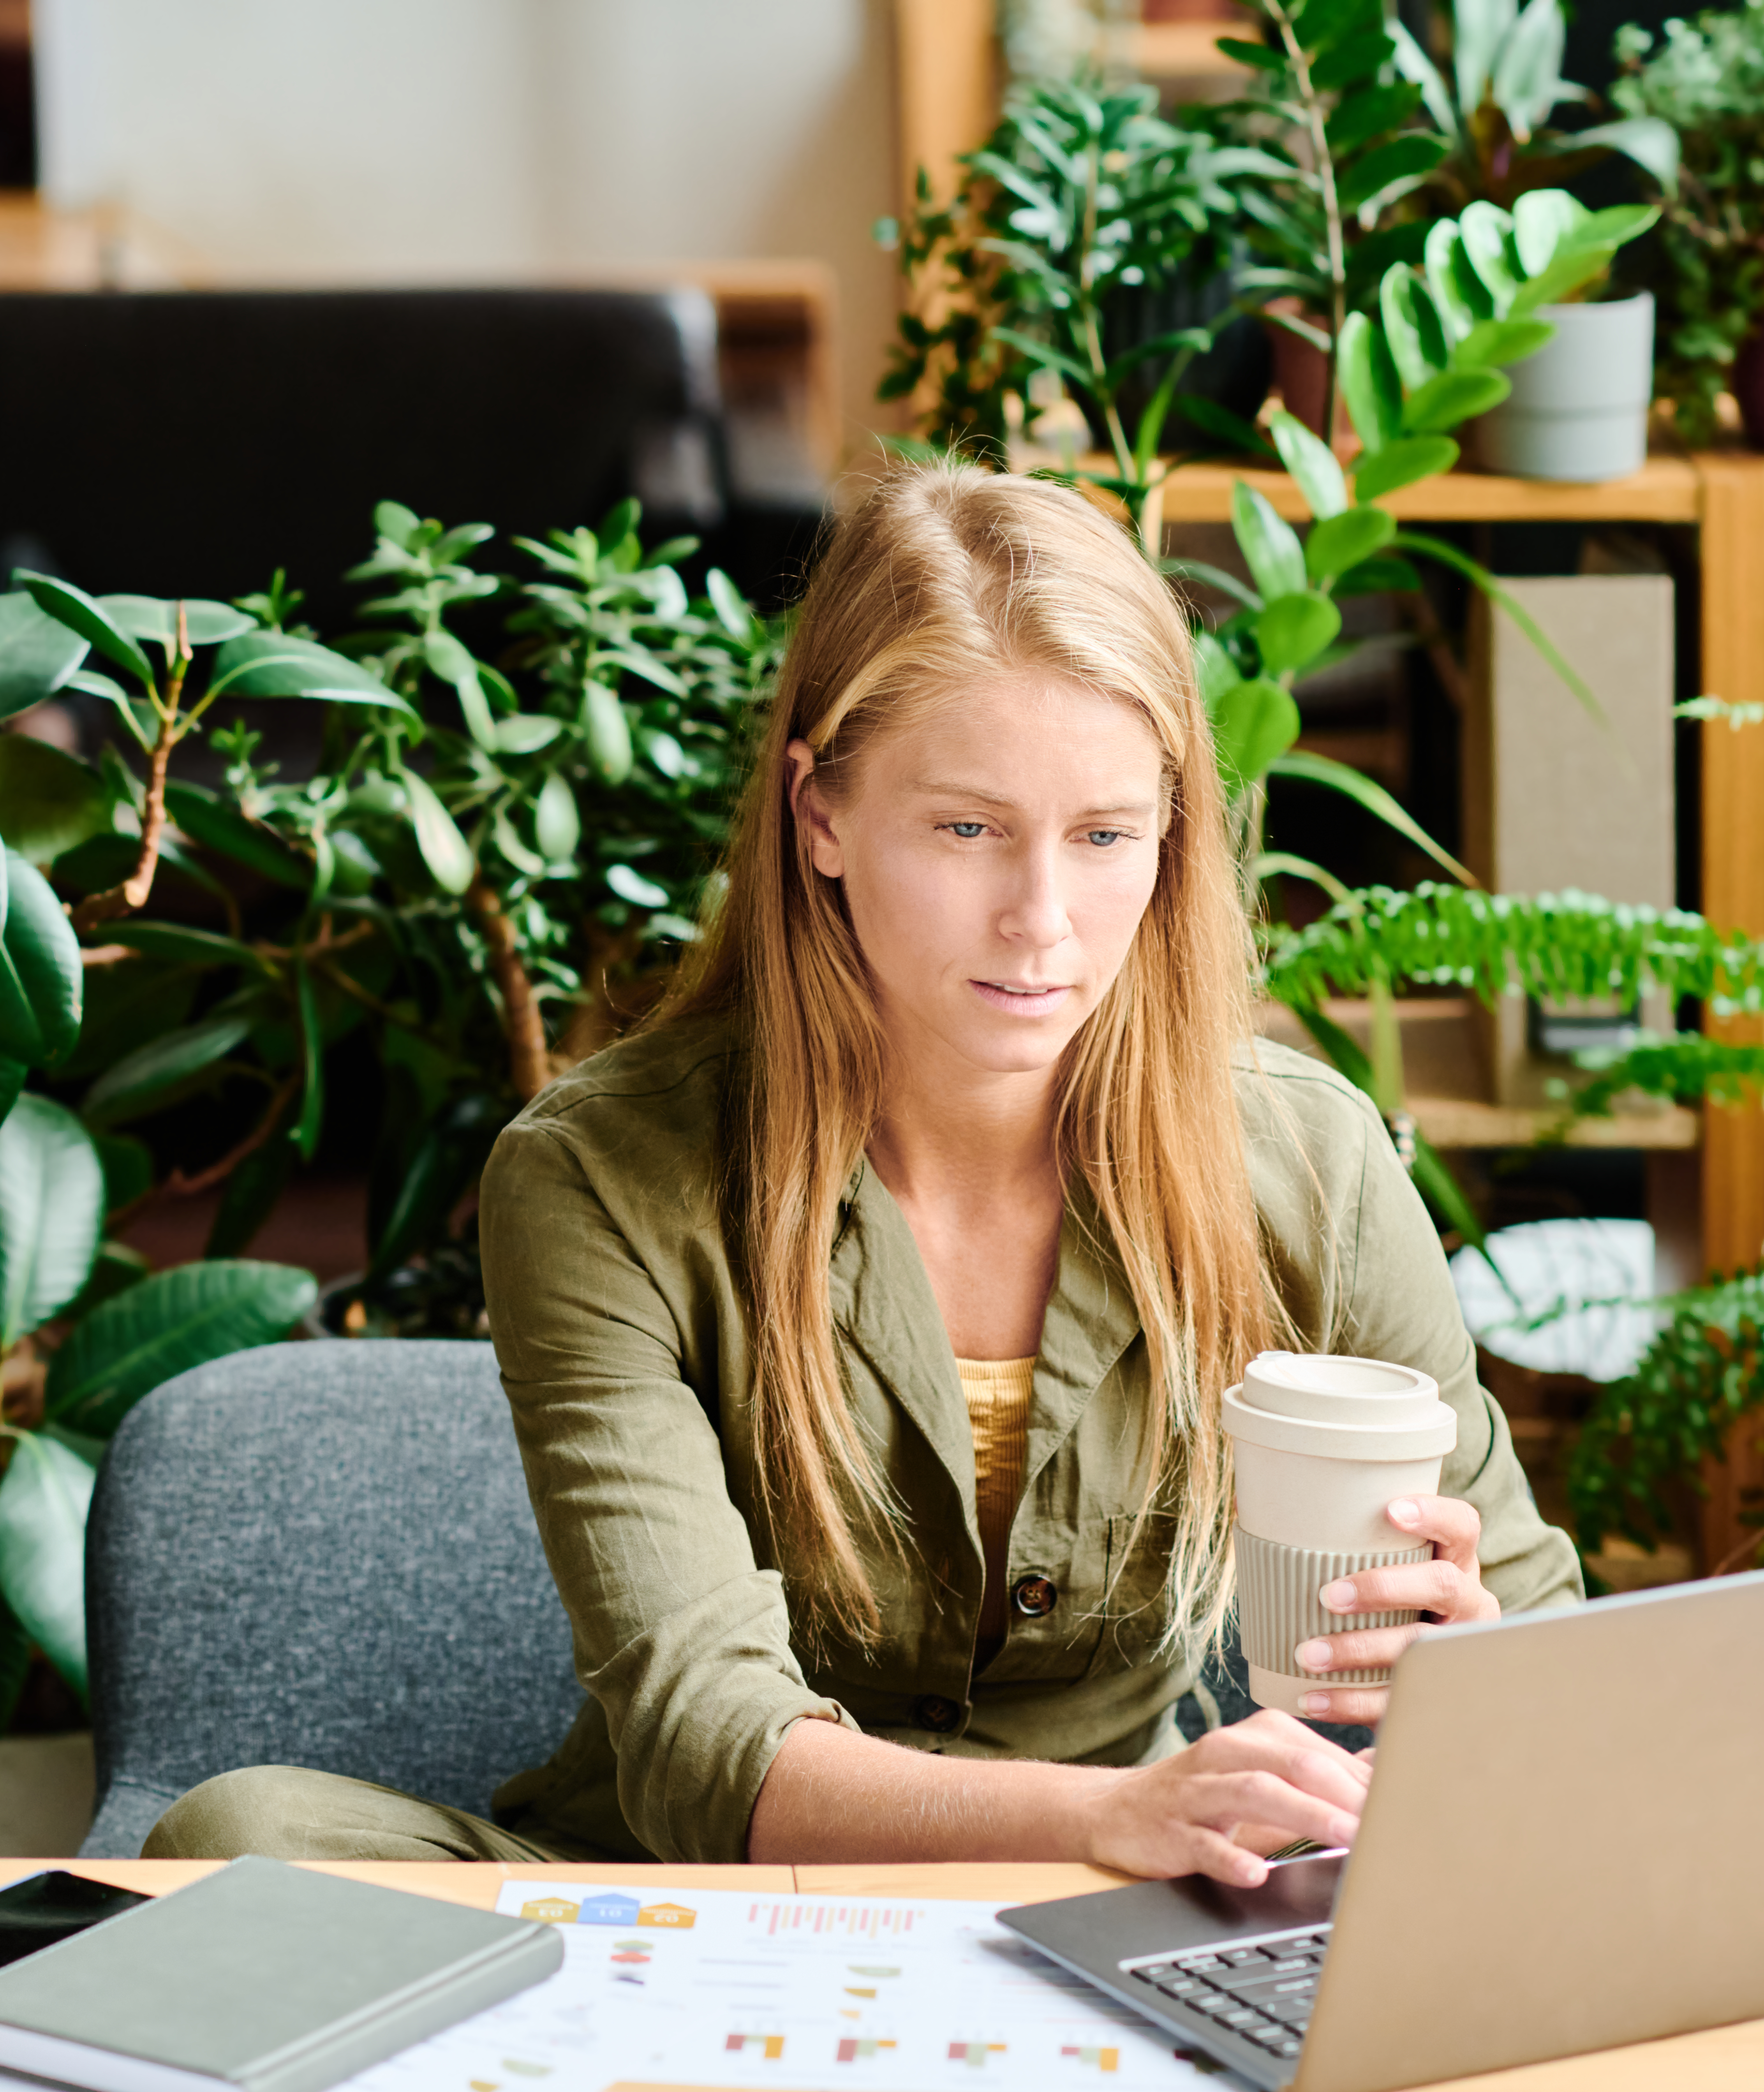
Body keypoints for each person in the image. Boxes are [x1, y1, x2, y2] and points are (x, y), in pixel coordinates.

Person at [149, 464, 1581, 1876]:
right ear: (819, 816)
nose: (1041, 921)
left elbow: (1538, 1637)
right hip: (701, 1912)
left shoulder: (1308, 1161)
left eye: (1103, 837)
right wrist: (1104, 1817)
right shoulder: (598, 1175)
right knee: (238, 1839)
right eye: (966, 828)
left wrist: (1473, 1658)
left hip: (1111, 1917)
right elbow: (705, 1737)